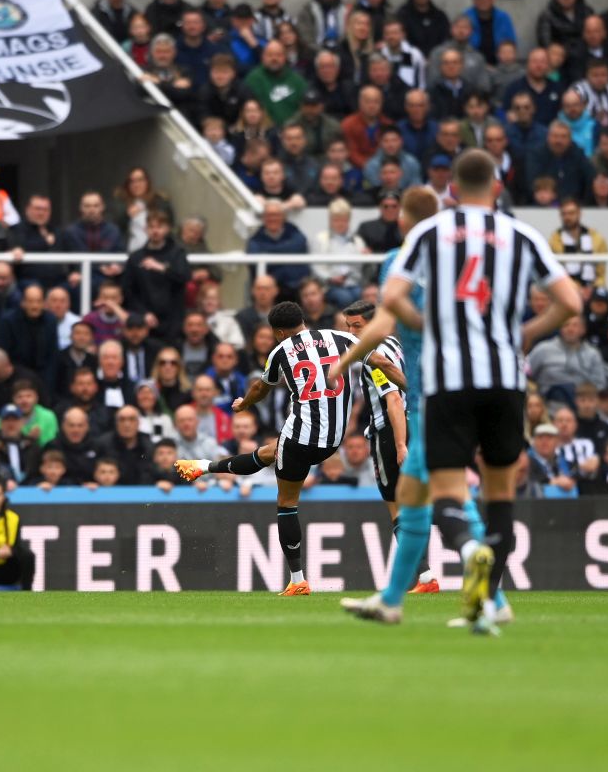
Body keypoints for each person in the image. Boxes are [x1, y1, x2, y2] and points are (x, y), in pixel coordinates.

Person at [342, 153, 582, 631]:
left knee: (447, 494)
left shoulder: (427, 239)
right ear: (497, 186)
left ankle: (482, 580)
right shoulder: (523, 234)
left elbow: (389, 303)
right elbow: (571, 302)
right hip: (506, 381)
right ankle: (423, 600)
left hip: (443, 386)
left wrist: (413, 332)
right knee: (489, 497)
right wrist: (528, 334)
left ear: (451, 188)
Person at [177, 302, 378, 596]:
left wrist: (243, 404)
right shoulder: (342, 338)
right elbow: (382, 362)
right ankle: (204, 467)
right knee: (271, 451)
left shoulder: (281, 351)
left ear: (280, 332)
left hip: (301, 437)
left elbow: (262, 387)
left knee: (287, 503)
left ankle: (297, 580)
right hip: (333, 441)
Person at [342, 299, 408, 529]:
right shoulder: (393, 343)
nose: (351, 332)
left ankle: (420, 565)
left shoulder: (373, 358)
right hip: (409, 424)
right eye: (348, 325)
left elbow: (393, 398)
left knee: (393, 501)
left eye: (357, 326)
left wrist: (400, 445)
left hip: (388, 430)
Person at [246, 201, 310, 298]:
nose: (272, 218)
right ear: (263, 217)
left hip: (295, 287)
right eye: (269, 215)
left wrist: (268, 253)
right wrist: (287, 254)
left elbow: (299, 245)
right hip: (271, 290)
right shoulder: (256, 237)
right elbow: (253, 261)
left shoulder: (293, 231)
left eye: (276, 215)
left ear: (283, 216)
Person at [550, 199, 608, 296]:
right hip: (566, 290)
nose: (567, 217)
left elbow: (601, 271)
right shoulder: (554, 240)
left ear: (579, 213)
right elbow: (554, 271)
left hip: (593, 290)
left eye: (571, 213)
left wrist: (592, 288)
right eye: (564, 214)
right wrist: (575, 288)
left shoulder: (596, 238)